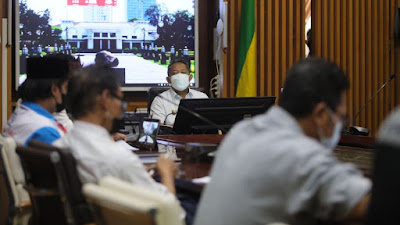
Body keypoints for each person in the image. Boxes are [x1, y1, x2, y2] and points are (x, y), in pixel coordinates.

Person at [194, 58, 371, 225]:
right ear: (321, 114)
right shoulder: (301, 155)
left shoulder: (242, 131)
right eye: (341, 117)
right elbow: (372, 204)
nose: (341, 126)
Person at [52, 64, 181, 212]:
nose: (121, 106)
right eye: (120, 98)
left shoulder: (60, 144)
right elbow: (169, 210)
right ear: (106, 99)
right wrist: (167, 172)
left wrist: (137, 171)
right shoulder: (119, 157)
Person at [3, 56, 70, 146]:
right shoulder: (45, 132)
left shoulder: (20, 114)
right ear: (54, 89)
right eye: (65, 88)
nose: (66, 92)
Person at [150, 60, 208, 125]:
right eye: (175, 73)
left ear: (190, 77)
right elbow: (157, 127)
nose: (179, 76)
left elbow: (209, 123)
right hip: (171, 135)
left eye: (183, 72)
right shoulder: (160, 100)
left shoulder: (202, 97)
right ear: (168, 80)